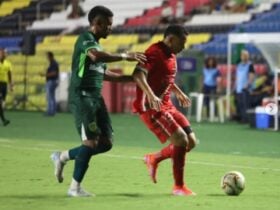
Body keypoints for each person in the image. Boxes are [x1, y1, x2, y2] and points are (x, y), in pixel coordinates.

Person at [50, 6, 146, 197]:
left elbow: (104, 73)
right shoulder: (85, 40)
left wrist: (132, 78)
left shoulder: (98, 45)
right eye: (108, 25)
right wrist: (125, 55)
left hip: (96, 97)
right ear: (97, 23)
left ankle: (62, 157)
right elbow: (95, 56)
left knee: (106, 142)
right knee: (91, 142)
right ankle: (74, 188)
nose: (111, 28)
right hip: (82, 96)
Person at [132, 25, 198, 196]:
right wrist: (151, 95)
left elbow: (165, 77)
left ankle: (154, 158)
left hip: (167, 104)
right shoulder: (154, 52)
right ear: (170, 39)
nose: (184, 46)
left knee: (190, 142)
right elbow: (138, 74)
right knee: (180, 140)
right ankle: (178, 187)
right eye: (182, 42)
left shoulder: (171, 54)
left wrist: (178, 91)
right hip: (152, 107)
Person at [234, 50, 255, 123]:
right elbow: (237, 76)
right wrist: (235, 86)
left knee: (246, 104)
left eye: (246, 55)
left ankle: (247, 119)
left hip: (246, 89)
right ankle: (242, 118)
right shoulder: (239, 65)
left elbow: (251, 76)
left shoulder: (250, 65)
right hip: (239, 88)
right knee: (240, 104)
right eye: (243, 55)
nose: (244, 57)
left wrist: (247, 85)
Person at [41, 51, 59, 116]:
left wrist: (45, 75)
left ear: (51, 56)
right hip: (53, 81)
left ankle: (50, 111)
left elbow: (54, 73)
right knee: (52, 97)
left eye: (47, 56)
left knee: (50, 97)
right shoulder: (53, 63)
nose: (47, 58)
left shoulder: (54, 63)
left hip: (51, 81)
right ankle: (53, 111)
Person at [0, 48, 13, 126]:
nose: (2, 54)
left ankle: (3, 120)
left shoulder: (8, 63)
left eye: (4, 53)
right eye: (1, 53)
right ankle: (4, 120)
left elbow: (9, 74)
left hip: (4, 84)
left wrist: (11, 84)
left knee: (2, 103)